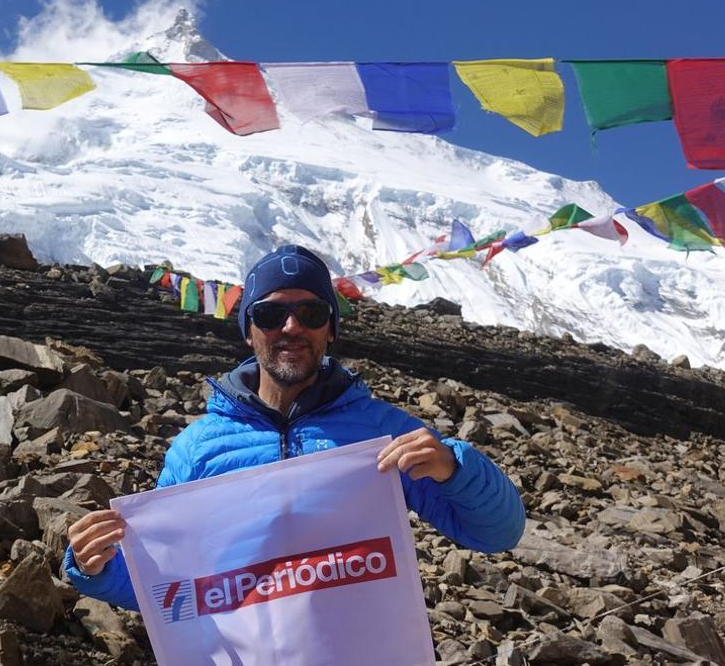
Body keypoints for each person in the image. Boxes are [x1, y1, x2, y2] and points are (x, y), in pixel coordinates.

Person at [63, 245, 525, 610]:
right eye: (268, 314)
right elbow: (170, 589)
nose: (291, 327)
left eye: (311, 314)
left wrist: (454, 467)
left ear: (331, 329)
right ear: (248, 330)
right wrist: (95, 567)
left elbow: (497, 534)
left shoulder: (381, 432)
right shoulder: (197, 449)